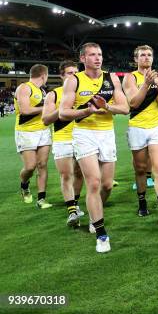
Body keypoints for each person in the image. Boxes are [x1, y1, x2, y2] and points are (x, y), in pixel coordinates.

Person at [59, 42, 130, 253]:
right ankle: (101, 233)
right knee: (94, 182)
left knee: (107, 185)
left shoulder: (112, 78)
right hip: (84, 134)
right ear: (83, 59)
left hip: (106, 134)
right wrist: (86, 112)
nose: (97, 58)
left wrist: (106, 107)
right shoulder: (73, 81)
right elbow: (63, 113)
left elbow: (125, 108)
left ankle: (93, 215)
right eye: (92, 55)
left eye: (99, 54)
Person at [122, 45, 158, 225]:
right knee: (140, 168)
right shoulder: (130, 78)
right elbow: (134, 103)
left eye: (149, 55)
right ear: (136, 59)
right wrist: (146, 84)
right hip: (137, 127)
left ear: (153, 58)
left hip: (157, 128)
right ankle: (142, 201)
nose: (146, 58)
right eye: (142, 55)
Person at [42, 60, 85, 227]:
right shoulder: (53, 94)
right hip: (62, 139)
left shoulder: (82, 91)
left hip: (82, 137)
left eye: (76, 72)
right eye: (69, 73)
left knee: (80, 174)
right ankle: (72, 211)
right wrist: (61, 109)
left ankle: (76, 203)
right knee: (66, 175)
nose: (73, 75)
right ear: (61, 76)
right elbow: (45, 120)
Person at [14, 64, 52, 208]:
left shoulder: (42, 91)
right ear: (44, 75)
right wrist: (46, 107)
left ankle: (41, 199)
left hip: (43, 131)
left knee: (42, 165)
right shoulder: (24, 87)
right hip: (26, 132)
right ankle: (24, 185)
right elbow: (25, 110)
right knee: (30, 167)